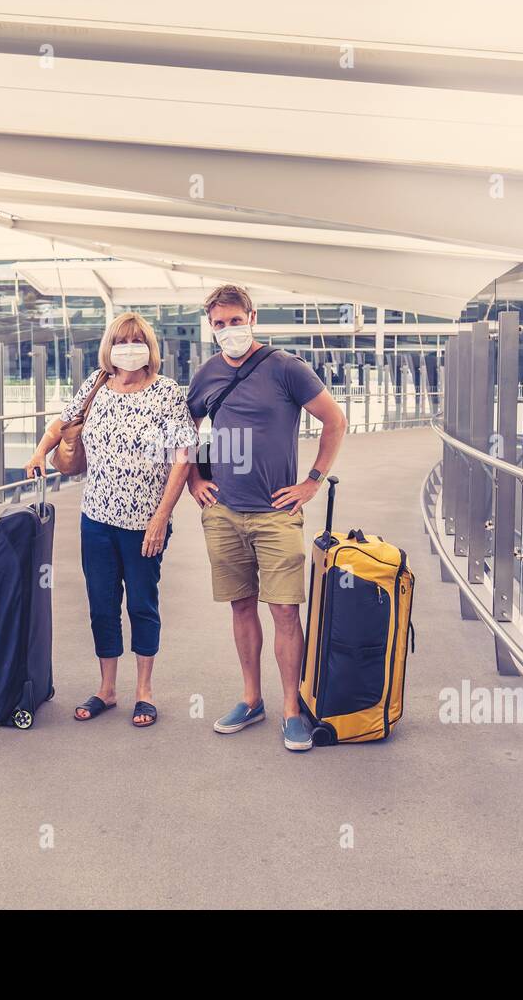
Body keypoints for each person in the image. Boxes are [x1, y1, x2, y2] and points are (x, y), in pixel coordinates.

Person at [186, 284, 347, 751]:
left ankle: (292, 709)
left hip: (276, 513)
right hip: (224, 512)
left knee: (283, 611)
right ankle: (251, 699)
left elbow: (334, 421)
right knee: (241, 605)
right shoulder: (208, 373)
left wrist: (313, 480)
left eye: (236, 321)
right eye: (219, 324)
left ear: (252, 317)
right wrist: (197, 480)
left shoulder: (285, 367)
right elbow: (186, 427)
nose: (228, 330)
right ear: (210, 327)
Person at [25, 312, 196, 728]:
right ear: (109, 346)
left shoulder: (167, 392)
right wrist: (39, 452)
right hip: (96, 518)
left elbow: (183, 456)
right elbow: (62, 422)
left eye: (137, 340)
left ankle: (144, 692)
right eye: (121, 340)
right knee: (102, 605)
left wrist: (161, 518)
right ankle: (107, 689)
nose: (129, 347)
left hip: (144, 522)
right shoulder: (97, 383)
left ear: (150, 347)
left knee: (142, 603)